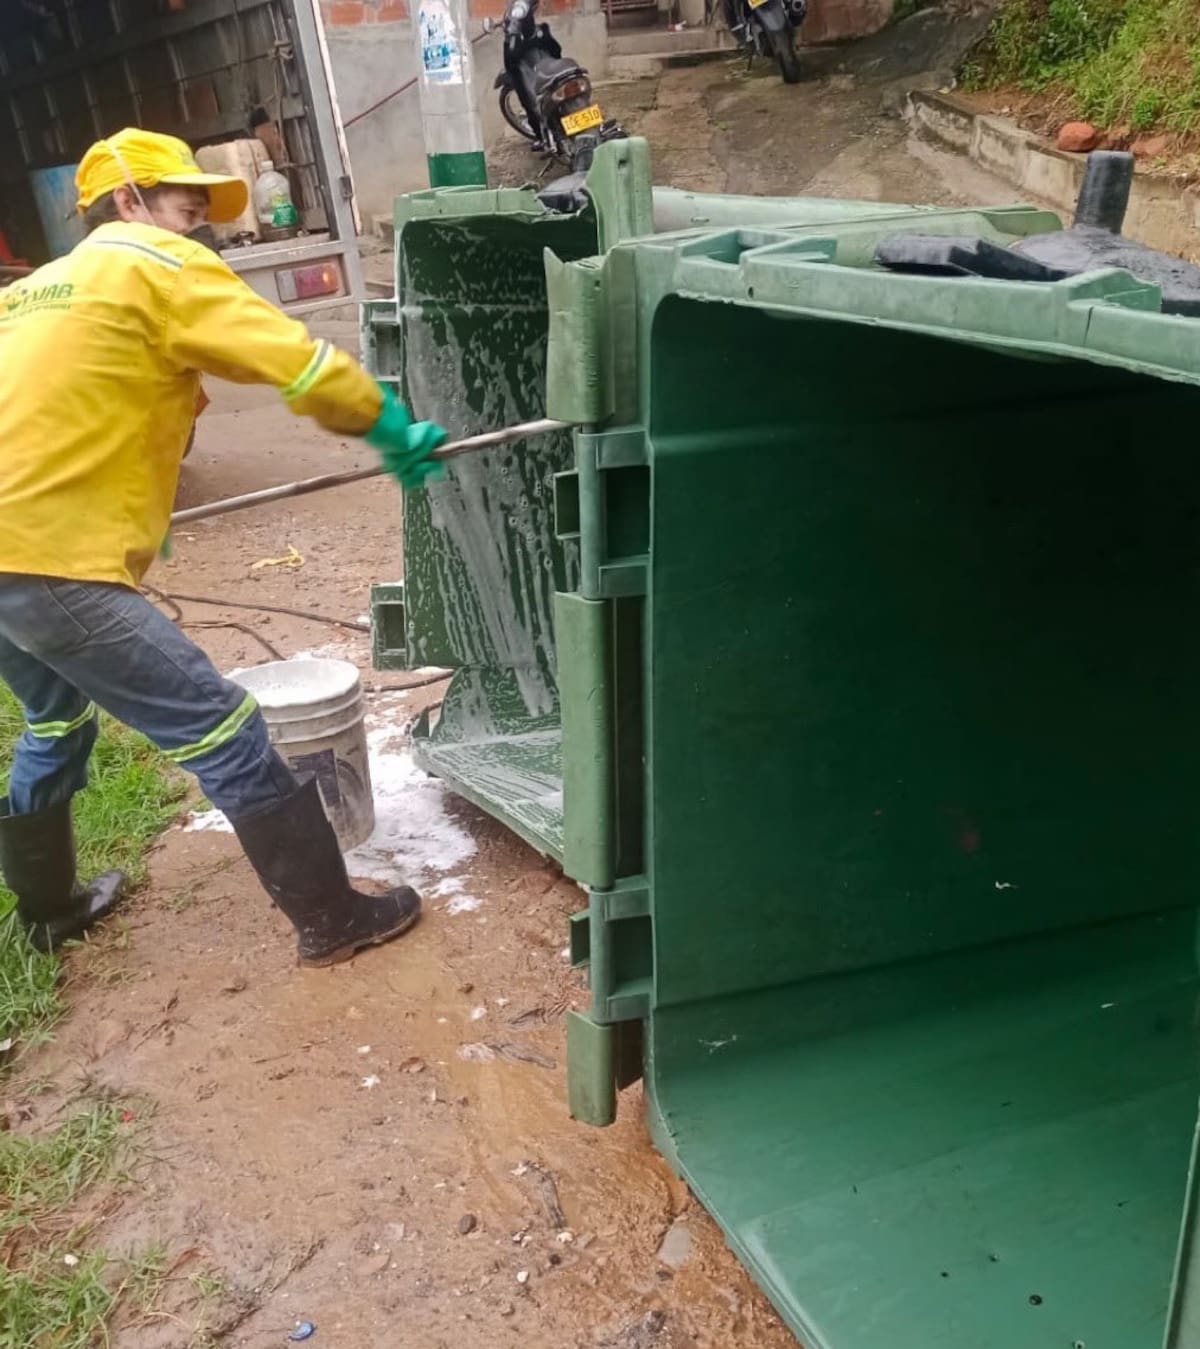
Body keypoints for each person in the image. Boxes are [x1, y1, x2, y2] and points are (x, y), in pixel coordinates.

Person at [0, 128, 446, 965]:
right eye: (183, 206)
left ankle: (49, 912)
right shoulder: (153, 266)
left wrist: (135, 503)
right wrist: (384, 421)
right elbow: (296, 362)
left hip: (11, 554)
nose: (197, 229)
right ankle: (331, 918)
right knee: (224, 727)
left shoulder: (35, 290)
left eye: (202, 213)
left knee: (54, 717)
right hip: (44, 559)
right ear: (129, 204)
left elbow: (60, 415)